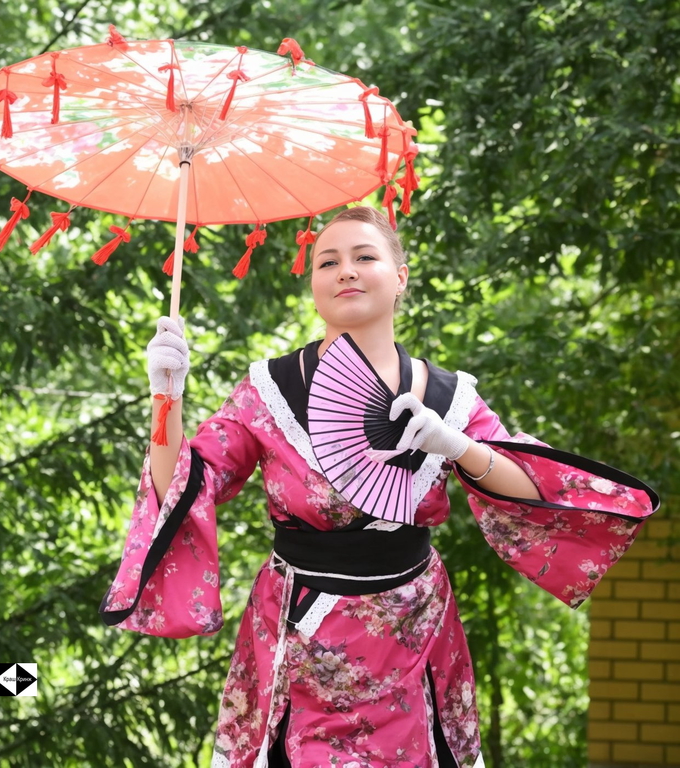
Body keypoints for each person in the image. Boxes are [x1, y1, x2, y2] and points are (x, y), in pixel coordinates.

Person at [101, 207, 658, 768]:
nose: (346, 271)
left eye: (364, 257)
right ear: (314, 284)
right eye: (328, 262)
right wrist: (165, 397)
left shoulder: (450, 396)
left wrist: (458, 446)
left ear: (400, 277)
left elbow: (534, 493)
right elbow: (181, 487)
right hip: (300, 634)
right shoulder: (268, 391)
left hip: (416, 632)